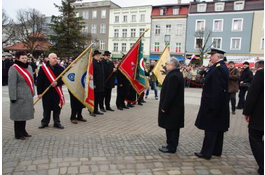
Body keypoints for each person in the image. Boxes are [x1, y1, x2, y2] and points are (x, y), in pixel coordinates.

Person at [194, 48, 230, 160]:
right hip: (218, 104)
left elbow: (217, 89)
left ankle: (206, 152)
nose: (210, 57)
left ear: (218, 57)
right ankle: (216, 150)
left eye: (212, 55)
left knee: (211, 129)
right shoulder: (219, 67)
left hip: (214, 104)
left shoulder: (218, 68)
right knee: (217, 129)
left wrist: (213, 106)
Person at [158, 57, 184, 153]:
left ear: (172, 65)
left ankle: (171, 147)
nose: (166, 66)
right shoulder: (175, 74)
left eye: (167, 64)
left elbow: (170, 93)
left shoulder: (173, 76)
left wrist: (165, 107)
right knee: (171, 127)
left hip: (172, 108)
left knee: (171, 127)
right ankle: (170, 144)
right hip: (174, 108)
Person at [8, 51, 34, 140]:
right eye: (22, 58)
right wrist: (12, 97)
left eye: (26, 58)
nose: (25, 60)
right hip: (18, 96)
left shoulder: (29, 67)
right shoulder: (13, 68)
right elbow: (11, 84)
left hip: (27, 96)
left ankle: (23, 131)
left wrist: (32, 92)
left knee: (24, 115)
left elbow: (32, 81)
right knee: (18, 116)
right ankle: (18, 134)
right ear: (18, 58)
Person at [243, 68, 264, 175]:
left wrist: (247, 112)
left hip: (261, 114)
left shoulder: (262, 73)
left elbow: (253, 93)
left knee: (255, 137)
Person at [37, 53, 65, 129]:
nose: (55, 59)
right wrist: (39, 93)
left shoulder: (61, 68)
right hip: (46, 92)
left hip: (57, 91)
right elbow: (39, 81)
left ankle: (57, 122)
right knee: (46, 108)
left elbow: (64, 80)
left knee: (57, 108)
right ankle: (45, 122)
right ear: (49, 59)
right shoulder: (43, 68)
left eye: (56, 58)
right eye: (53, 58)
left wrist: (57, 83)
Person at [90, 50, 105, 116]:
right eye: (98, 55)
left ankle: (96, 110)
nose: (99, 56)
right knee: (93, 98)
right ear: (95, 56)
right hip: (95, 84)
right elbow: (92, 74)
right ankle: (91, 110)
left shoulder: (100, 62)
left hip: (100, 83)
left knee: (98, 98)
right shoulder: (92, 63)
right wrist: (94, 84)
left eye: (99, 55)